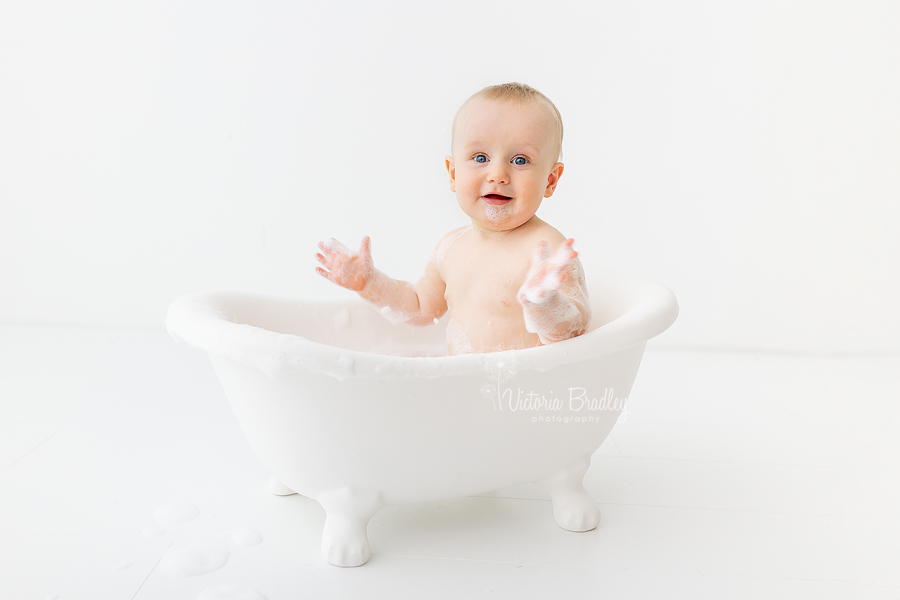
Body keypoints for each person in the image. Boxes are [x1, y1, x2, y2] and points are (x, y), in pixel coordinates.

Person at [315, 82, 590, 355]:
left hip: (521, 392)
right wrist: (369, 283)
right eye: (480, 157)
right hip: (462, 388)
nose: (497, 174)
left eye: (519, 160)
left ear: (550, 180)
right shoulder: (451, 248)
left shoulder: (546, 252)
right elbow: (419, 308)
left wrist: (546, 307)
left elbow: (575, 329)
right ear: (453, 174)